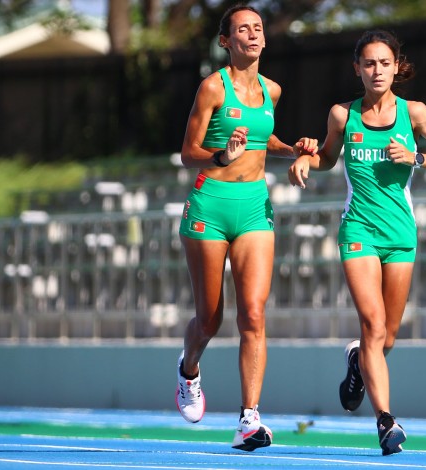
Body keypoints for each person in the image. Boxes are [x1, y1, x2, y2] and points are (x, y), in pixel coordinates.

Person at [288, 29, 426, 455]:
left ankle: (357, 363)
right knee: (373, 324)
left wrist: (416, 157)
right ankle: (386, 421)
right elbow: (327, 158)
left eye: (385, 63)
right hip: (359, 230)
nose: (377, 70)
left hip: (400, 234)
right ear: (357, 69)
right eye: (369, 63)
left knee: (388, 336)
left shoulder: (414, 113)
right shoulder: (342, 116)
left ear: (397, 66)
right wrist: (307, 157)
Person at [176, 4, 317, 453]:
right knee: (211, 318)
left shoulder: (272, 89)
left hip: (255, 206)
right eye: (243, 29)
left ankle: (249, 419)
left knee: (253, 314)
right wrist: (221, 155)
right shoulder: (212, 89)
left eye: (257, 28)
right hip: (210, 205)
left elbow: (265, 140)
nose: (253, 35)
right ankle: (189, 370)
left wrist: (293, 146)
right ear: (226, 41)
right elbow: (188, 151)